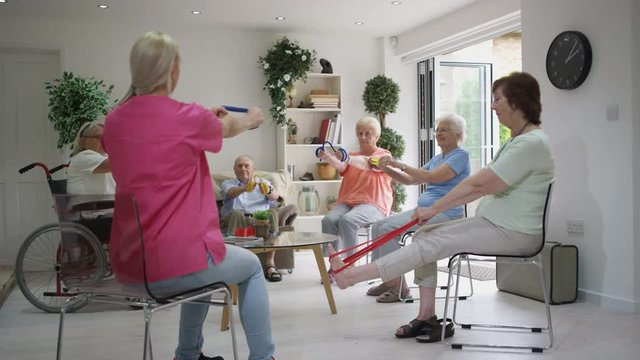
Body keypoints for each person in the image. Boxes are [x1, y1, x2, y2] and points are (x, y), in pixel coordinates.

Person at [329, 72, 555, 343]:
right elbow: (460, 184)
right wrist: (395, 170)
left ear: (517, 102)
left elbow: (478, 186)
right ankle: (426, 315)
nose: (492, 106)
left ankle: (351, 275)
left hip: (513, 233)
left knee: (428, 242)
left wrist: (433, 209)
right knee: (424, 236)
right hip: (495, 225)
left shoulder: (531, 143)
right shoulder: (515, 142)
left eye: (497, 99)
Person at [102, 31, 275, 360]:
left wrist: (203, 117)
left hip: (128, 266)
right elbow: (230, 128)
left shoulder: (114, 121)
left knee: (203, 268)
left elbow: (155, 138)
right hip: (174, 266)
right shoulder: (187, 117)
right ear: (173, 71)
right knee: (251, 266)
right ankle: (264, 357)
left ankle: (188, 355)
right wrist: (252, 119)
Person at [366, 113, 470, 312]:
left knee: (388, 227)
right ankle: (390, 279)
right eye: (437, 129)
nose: (438, 133)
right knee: (378, 225)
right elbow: (410, 180)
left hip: (445, 213)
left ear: (458, 134)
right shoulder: (438, 158)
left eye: (444, 129)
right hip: (426, 211)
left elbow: (433, 177)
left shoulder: (460, 155)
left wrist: (401, 164)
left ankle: (398, 287)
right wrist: (385, 168)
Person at [319, 116, 393, 261]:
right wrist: (328, 157)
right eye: (360, 133)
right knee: (328, 220)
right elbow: (341, 166)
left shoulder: (383, 156)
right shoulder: (352, 155)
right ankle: (334, 262)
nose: (362, 137)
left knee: (348, 220)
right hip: (349, 203)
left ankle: (350, 263)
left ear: (376, 136)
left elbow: (366, 163)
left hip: (374, 204)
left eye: (367, 134)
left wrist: (347, 158)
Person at [221, 154, 296, 282]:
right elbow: (230, 193)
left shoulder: (263, 183)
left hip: (259, 221)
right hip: (238, 219)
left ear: (253, 169)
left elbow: (275, 197)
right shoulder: (228, 183)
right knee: (237, 213)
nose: (243, 169)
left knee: (271, 213)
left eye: (246, 166)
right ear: (234, 169)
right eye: (240, 166)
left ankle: (270, 265)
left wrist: (268, 192)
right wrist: (244, 188)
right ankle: (236, 265)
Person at [66, 122, 115, 195]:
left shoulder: (104, 157)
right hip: (88, 205)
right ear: (83, 141)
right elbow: (118, 164)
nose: (104, 141)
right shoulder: (83, 157)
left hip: (105, 204)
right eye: (99, 137)